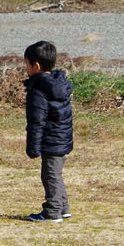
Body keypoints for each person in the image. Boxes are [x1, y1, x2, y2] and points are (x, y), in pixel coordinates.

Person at [23, 39, 74, 222]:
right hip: (61, 138)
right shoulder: (57, 85)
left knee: (50, 175)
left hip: (51, 140)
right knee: (55, 174)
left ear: (36, 66)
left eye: (26, 64)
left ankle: (52, 211)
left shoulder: (39, 90)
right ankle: (63, 207)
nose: (25, 68)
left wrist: (33, 147)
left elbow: (37, 122)